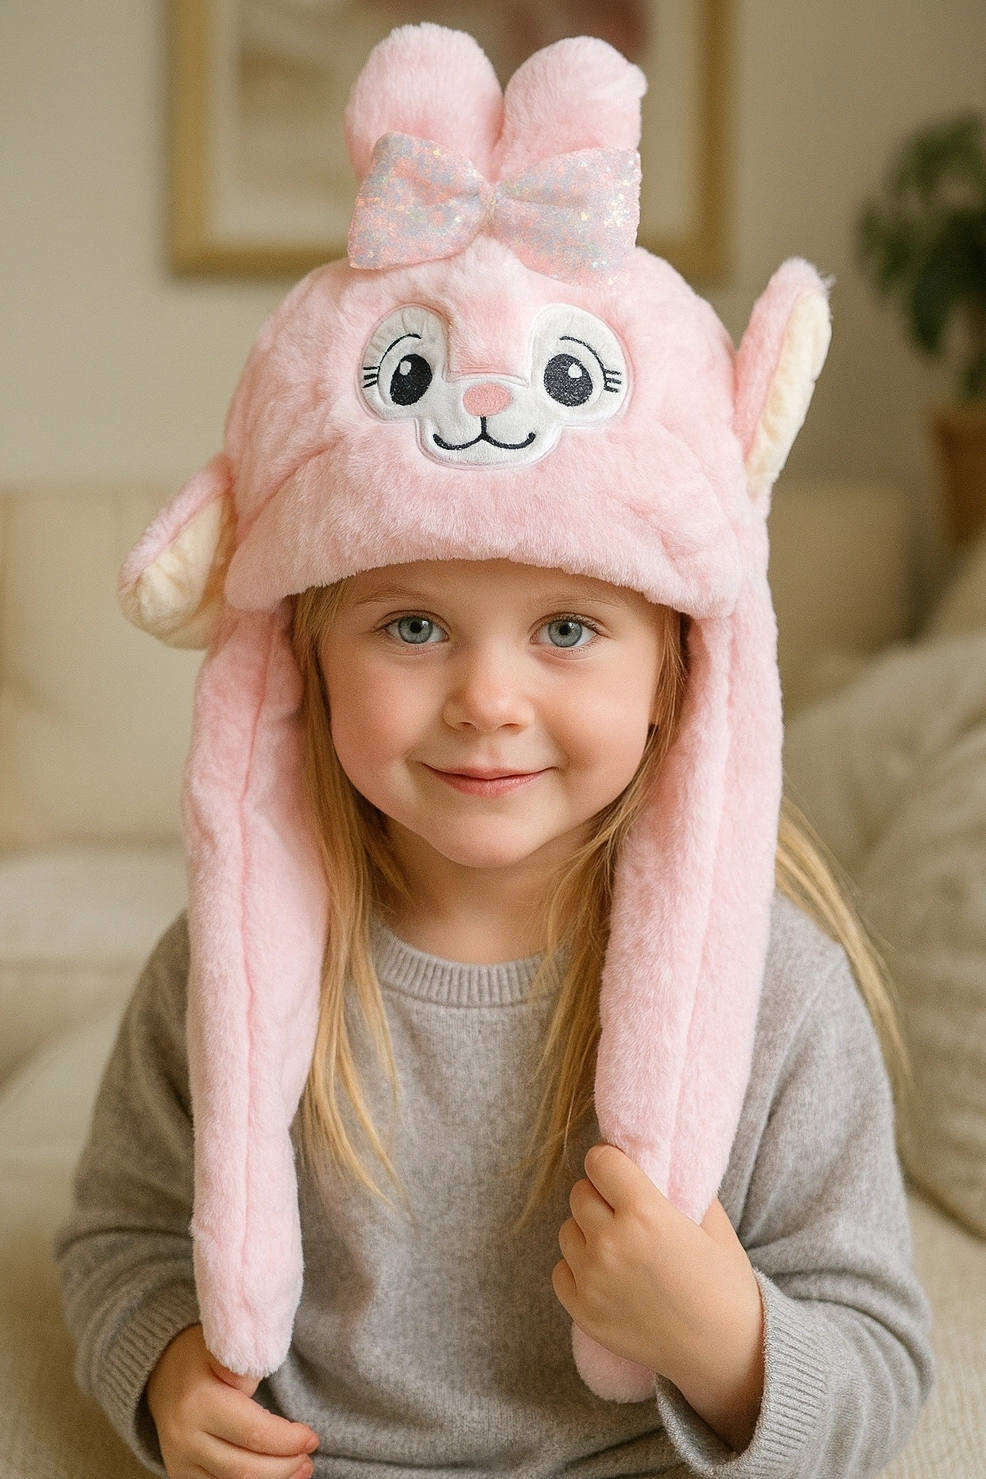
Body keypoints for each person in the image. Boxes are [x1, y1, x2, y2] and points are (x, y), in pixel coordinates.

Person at [56, 23, 933, 1479]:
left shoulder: (779, 995)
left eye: (568, 630)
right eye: (410, 626)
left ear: (677, 672)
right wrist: (160, 1365)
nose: (486, 699)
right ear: (303, 655)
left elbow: (880, 1362)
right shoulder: (230, 965)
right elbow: (122, 1235)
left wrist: (725, 1338)